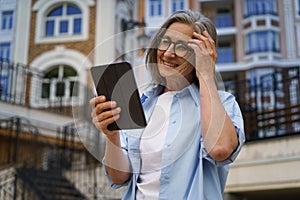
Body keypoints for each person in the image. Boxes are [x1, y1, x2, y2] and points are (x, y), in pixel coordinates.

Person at [90, 10, 245, 200]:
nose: (169, 53)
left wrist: (205, 73)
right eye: (165, 42)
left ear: (201, 54)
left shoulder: (222, 103)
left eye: (181, 47)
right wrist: (112, 136)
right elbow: (120, 177)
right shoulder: (143, 105)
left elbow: (221, 149)